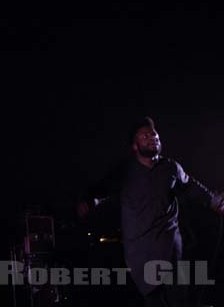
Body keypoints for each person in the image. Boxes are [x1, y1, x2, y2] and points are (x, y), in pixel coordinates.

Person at [78, 116, 224, 307]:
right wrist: (90, 201)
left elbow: (193, 188)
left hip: (171, 249)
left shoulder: (171, 168)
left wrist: (216, 203)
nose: (152, 138)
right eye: (145, 136)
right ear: (135, 146)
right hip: (142, 254)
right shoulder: (126, 171)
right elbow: (104, 188)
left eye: (154, 134)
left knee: (180, 299)